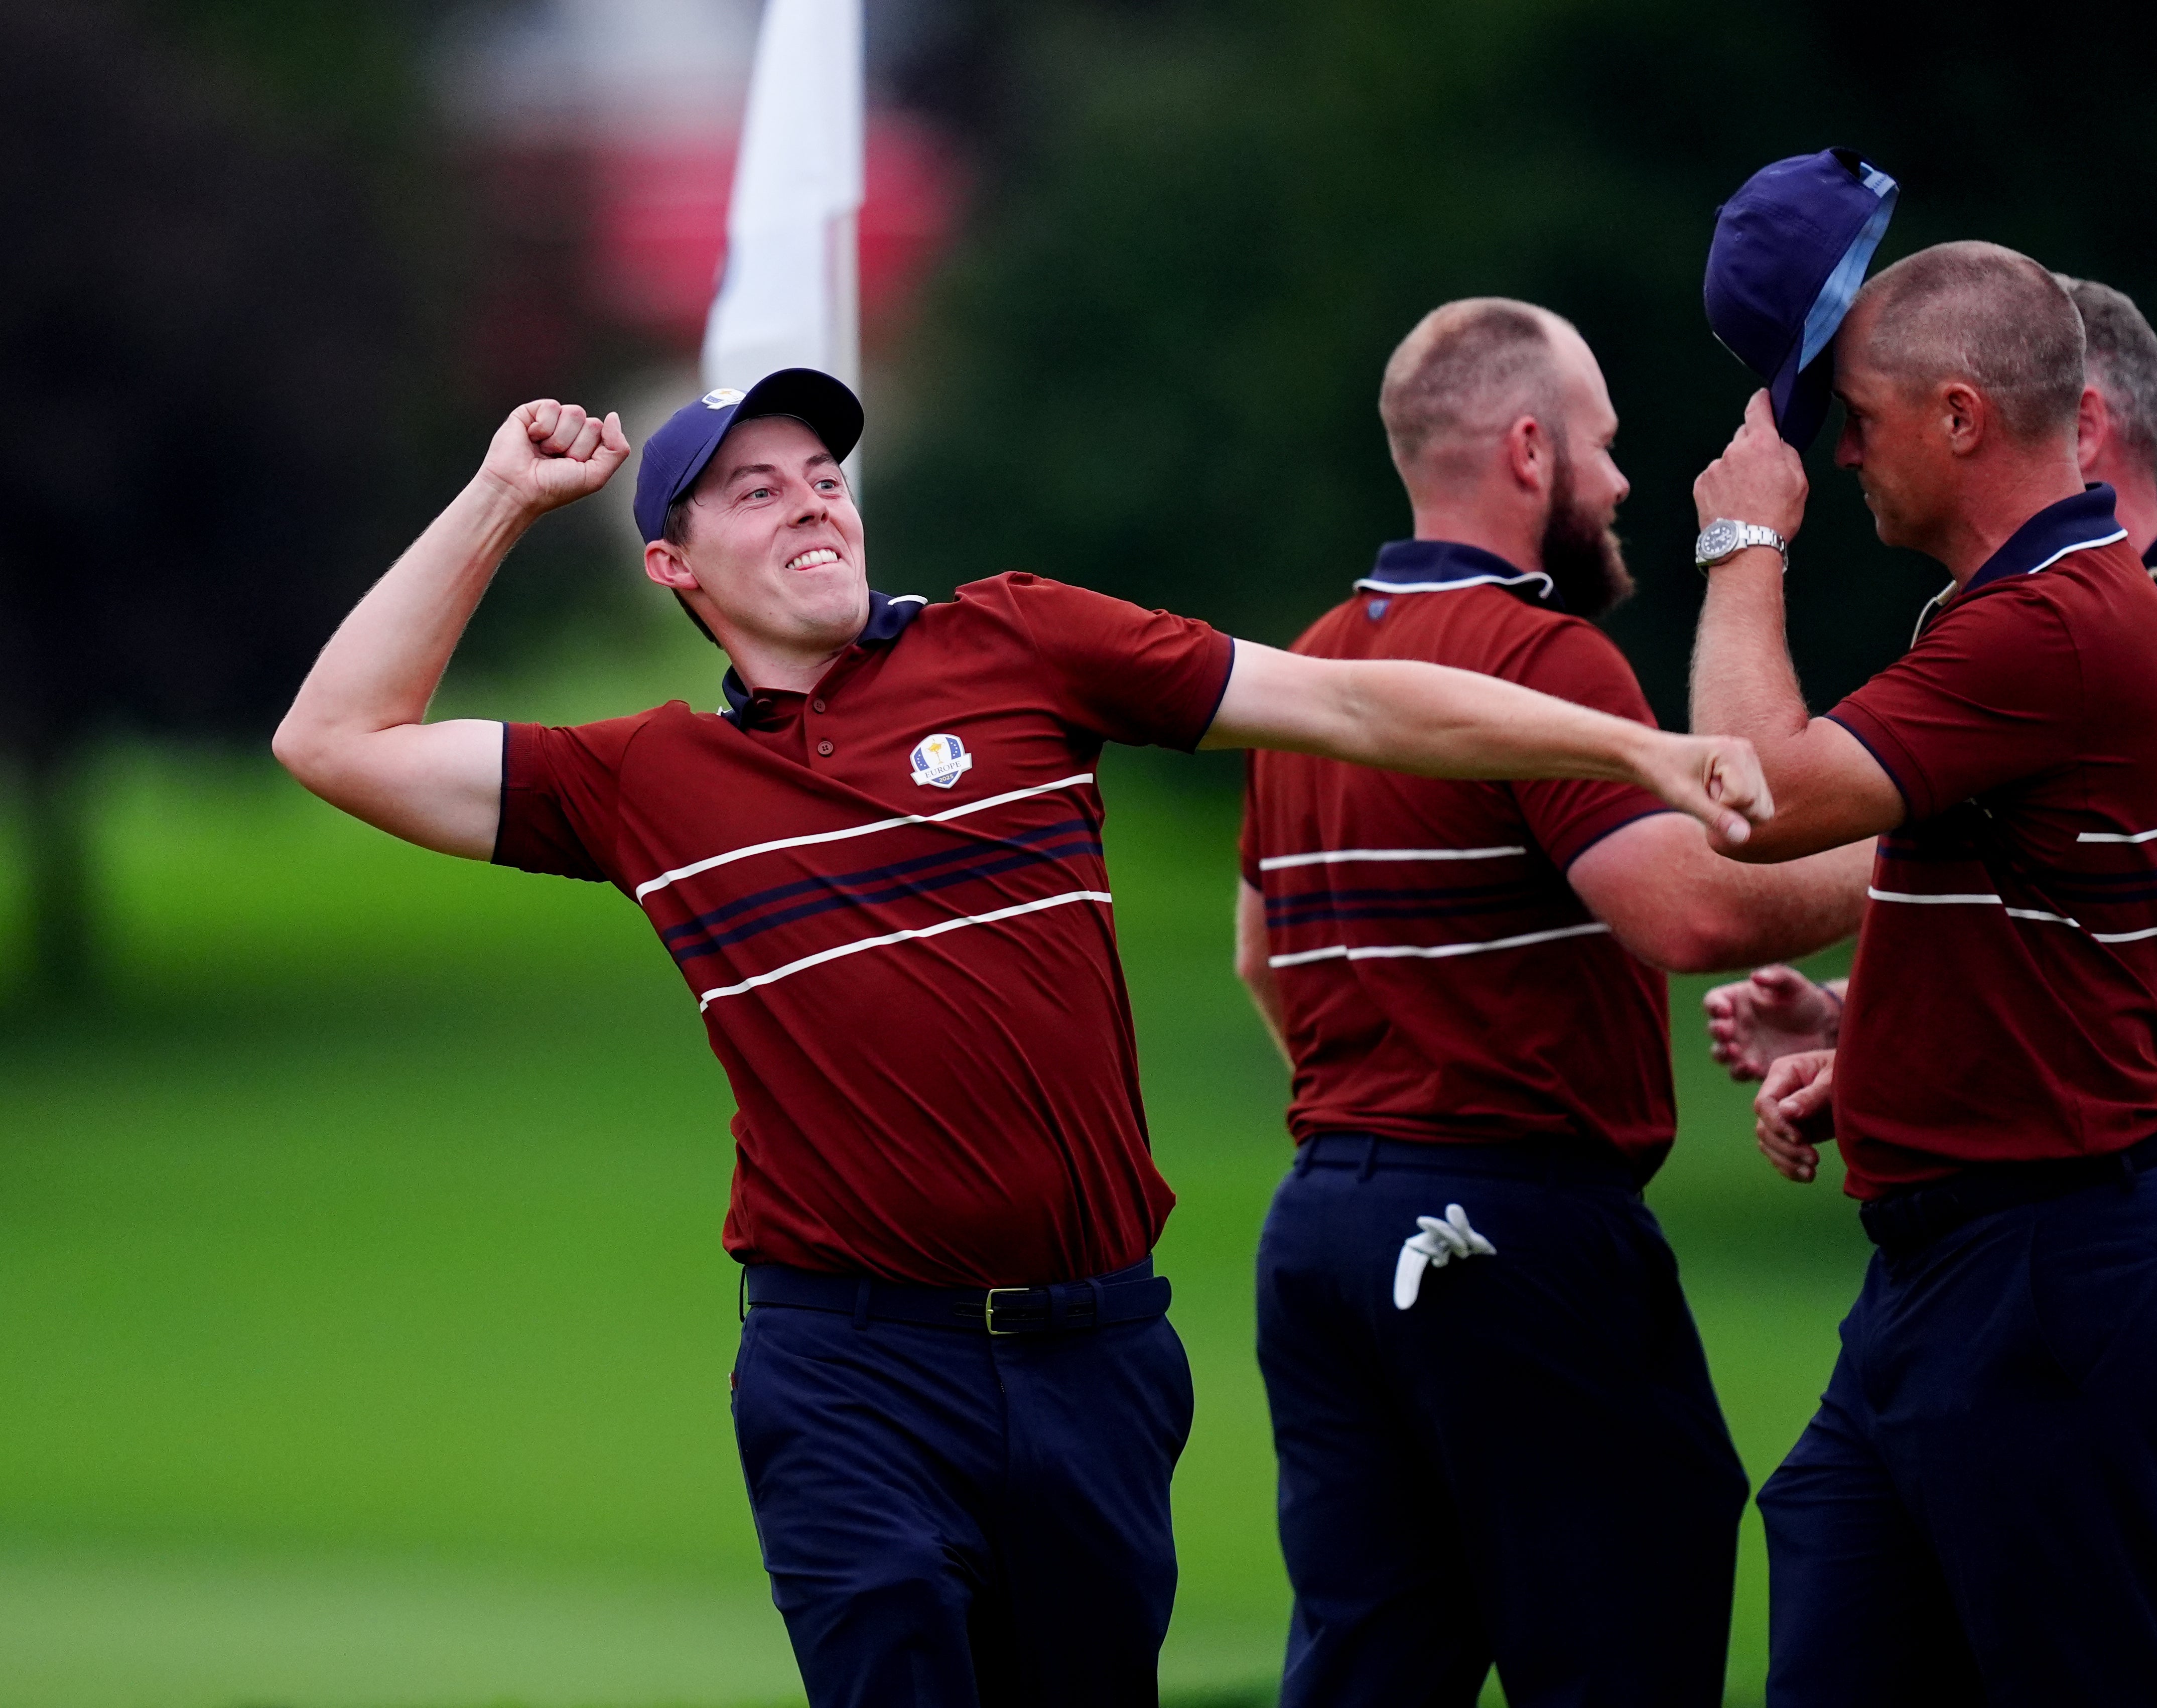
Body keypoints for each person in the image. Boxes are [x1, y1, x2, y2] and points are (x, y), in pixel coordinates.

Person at [270, 370, 1773, 1708]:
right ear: (674, 565)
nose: (812, 505)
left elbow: (1347, 704)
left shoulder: (1016, 640)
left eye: (826, 478)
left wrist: (1627, 745)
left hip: (1094, 1357)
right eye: (756, 489)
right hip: (848, 1365)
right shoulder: (641, 780)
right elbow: (336, 739)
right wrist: (503, 496)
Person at [1703, 277, 2157, 1708]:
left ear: (1984, 417)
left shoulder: (2088, 630)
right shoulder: (1995, 615)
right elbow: (2042, 927)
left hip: (2062, 1254)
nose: (1843, 448)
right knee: (1833, 1591)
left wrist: (1741, 538)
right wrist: (1868, 1047)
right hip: (1961, 1255)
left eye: (1865, 418)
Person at [1232, 299, 1871, 1708]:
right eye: (1605, 443)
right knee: (1625, 1630)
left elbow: (1256, 956)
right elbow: (1689, 910)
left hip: (1327, 1229)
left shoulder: (1311, 660)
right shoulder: (1542, 661)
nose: (1624, 481)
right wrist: (1899, 852)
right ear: (1530, 449)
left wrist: (1382, 1122)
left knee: (1372, 1665)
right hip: (1507, 1229)